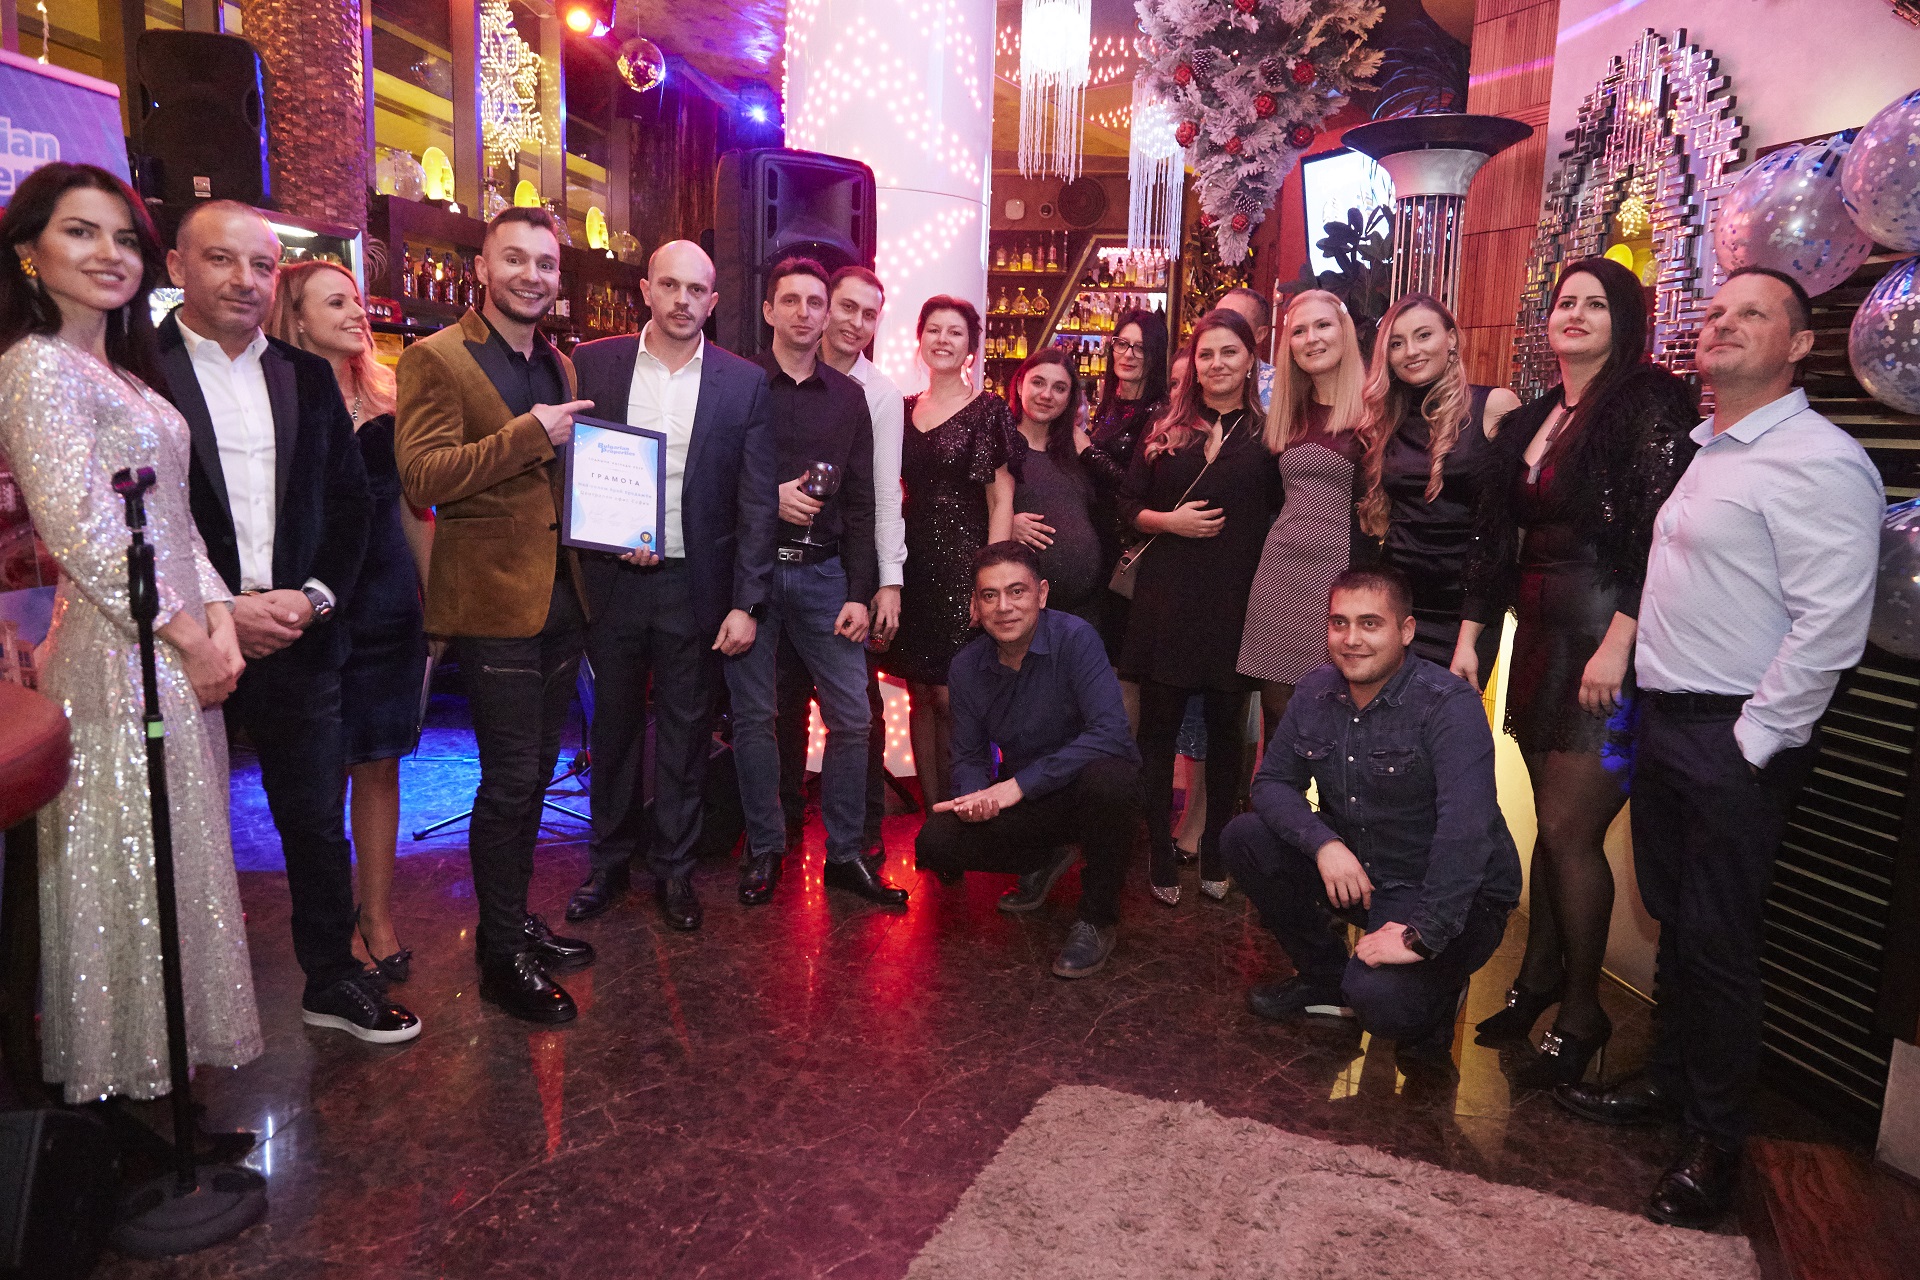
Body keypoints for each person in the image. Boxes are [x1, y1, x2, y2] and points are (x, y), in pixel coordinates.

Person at [1553, 267, 1882, 1231]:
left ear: (1799, 345)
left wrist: (1753, 741)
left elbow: (1830, 626)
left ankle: (1715, 1142)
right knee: (1674, 921)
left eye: (1754, 314)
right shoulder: (1710, 450)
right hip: (1665, 722)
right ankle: (1669, 1084)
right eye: (1717, 311)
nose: (1725, 324)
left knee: (1718, 941)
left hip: (1733, 734)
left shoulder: (1819, 460)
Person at [0, 162, 261, 1100]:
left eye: (121, 236)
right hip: (119, 657)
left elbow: (177, 522)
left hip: (178, 647)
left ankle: (165, 1081)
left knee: (177, 862)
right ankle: (117, 1087)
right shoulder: (34, 366)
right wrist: (189, 635)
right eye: (80, 232)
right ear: (28, 252)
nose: (108, 253)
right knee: (125, 870)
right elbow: (84, 533)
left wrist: (221, 616)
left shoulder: (121, 372)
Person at [159, 201, 419, 1044]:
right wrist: (222, 608)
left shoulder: (306, 378)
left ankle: (331, 978)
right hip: (182, 638)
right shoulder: (141, 372)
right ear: (177, 267)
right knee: (179, 827)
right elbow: (149, 518)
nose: (244, 280)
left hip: (301, 633)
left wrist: (314, 597)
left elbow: (349, 506)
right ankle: (174, 1008)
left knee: (312, 821)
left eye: (262, 265)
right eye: (221, 260)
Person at [1454, 258, 1699, 1087]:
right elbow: (1492, 541)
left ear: (1624, 321)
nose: (1577, 314)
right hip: (1539, 640)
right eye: (1566, 302)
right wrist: (1473, 636)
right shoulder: (1533, 416)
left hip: (1605, 638)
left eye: (1597, 304)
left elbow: (1658, 534)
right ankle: (1535, 983)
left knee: (1568, 829)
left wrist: (1619, 644)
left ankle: (1585, 1011)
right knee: (1548, 831)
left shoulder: (1649, 401)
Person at [394, 206, 599, 1023]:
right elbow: (422, 477)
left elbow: (564, 482)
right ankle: (499, 952)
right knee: (511, 780)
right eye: (514, 259)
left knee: (535, 773)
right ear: (482, 268)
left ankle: (513, 921)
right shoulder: (435, 358)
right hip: (489, 605)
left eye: (545, 264)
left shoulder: (559, 364)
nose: (531, 276)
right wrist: (527, 435)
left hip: (561, 599)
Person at [1223, 566, 1521, 1069]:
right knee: (1245, 837)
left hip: (1450, 893)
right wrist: (1324, 844)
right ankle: (1324, 980)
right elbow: (1271, 784)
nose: (1351, 639)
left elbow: (1466, 831)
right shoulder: (1315, 691)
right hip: (1363, 872)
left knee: (1382, 1003)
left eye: (1369, 624)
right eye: (1339, 623)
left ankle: (1438, 991)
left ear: (1405, 631)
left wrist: (1423, 935)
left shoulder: (1448, 705)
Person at [563, 239, 775, 931]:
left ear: (713, 302)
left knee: (685, 736)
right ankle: (607, 864)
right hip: (614, 581)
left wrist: (747, 602)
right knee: (614, 729)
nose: (683, 300)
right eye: (670, 285)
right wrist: (605, 534)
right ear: (646, 290)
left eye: (697, 290)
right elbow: (575, 470)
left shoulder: (743, 383)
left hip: (696, 585)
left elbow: (756, 503)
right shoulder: (595, 362)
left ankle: (675, 871)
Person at [266, 259, 432, 983]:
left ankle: (379, 916)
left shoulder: (391, 396)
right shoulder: (278, 399)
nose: (357, 312)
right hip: (314, 604)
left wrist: (435, 600)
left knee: (380, 764)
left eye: (357, 300)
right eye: (336, 302)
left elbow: (415, 509)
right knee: (318, 776)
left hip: (390, 600)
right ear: (297, 319)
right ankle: (329, 929)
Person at [724, 257, 906, 907]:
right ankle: (766, 848)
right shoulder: (738, 384)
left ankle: (847, 854)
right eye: (791, 300)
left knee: (853, 717)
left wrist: (860, 590)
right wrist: (768, 498)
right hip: (753, 572)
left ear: (825, 314)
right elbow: (710, 481)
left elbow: (861, 502)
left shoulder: (851, 397)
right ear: (768, 310)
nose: (805, 313)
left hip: (826, 574)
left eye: (815, 302)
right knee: (755, 718)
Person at [916, 542, 1141, 978]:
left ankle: (1097, 919)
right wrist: (975, 798)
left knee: (1111, 782)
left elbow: (1111, 732)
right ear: (975, 605)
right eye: (990, 595)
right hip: (1030, 800)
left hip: (1086, 788)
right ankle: (1045, 857)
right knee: (936, 843)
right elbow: (968, 755)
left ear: (1041, 594)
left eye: (1016, 591)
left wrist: (1018, 786)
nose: (1004, 607)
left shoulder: (1076, 638)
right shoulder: (966, 667)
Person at [1120, 308, 1280, 906]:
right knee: (1158, 735)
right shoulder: (1167, 427)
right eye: (1206, 354)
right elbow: (1126, 506)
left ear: (1251, 361)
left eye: (1229, 352)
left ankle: (1216, 848)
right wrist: (1170, 521)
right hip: (1166, 601)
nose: (1217, 364)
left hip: (1234, 602)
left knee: (1225, 738)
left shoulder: (1269, 435)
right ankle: (1160, 851)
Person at [774, 264, 905, 870]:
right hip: (771, 567)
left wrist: (883, 582)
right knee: (777, 709)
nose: (855, 322)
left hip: (837, 569)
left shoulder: (877, 394)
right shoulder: (768, 376)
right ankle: (779, 832)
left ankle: (857, 840)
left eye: (868, 314)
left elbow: (879, 496)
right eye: (846, 308)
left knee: (857, 713)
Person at [886, 296, 1015, 809]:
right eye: (934, 329)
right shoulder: (900, 409)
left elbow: (1001, 499)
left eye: (955, 332)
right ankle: (933, 821)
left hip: (965, 563)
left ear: (970, 347)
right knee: (919, 694)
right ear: (919, 338)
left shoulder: (988, 411)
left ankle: (969, 814)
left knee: (954, 697)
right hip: (912, 562)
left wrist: (990, 583)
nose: (943, 339)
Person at [1357, 293, 1520, 671]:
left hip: (1467, 610)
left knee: (1450, 707)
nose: (1411, 351)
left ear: (1451, 338)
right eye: (1397, 343)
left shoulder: (1494, 406)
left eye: (1423, 335)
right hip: (1396, 604)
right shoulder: (1384, 419)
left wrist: (1470, 634)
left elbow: (1503, 529)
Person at [1237, 289, 1372, 736]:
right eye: (1299, 331)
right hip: (1281, 574)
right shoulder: (1284, 412)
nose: (1311, 338)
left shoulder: (1375, 408)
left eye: (1322, 325)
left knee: (1337, 714)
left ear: (1344, 331)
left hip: (1342, 577)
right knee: (1278, 713)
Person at [1081, 308, 1170, 665]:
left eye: (1140, 347)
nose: (1129, 354)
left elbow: (1137, 488)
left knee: (1121, 659)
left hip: (1128, 547)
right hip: (1097, 540)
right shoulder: (1111, 405)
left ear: (1155, 355)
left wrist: (1087, 452)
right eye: (1122, 343)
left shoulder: (1160, 413)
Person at [1008, 347, 1102, 622]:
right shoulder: (1001, 445)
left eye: (1059, 388)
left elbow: (1120, 496)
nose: (1047, 395)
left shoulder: (1077, 448)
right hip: (1024, 611)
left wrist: (1091, 454)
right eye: (1038, 382)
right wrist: (1006, 524)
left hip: (1086, 609)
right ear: (1020, 385)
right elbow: (965, 507)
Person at [1216, 286, 1274, 410]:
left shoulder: (1278, 387)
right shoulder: (1197, 373)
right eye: (1216, 319)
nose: (1222, 328)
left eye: (1235, 322)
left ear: (1260, 334)